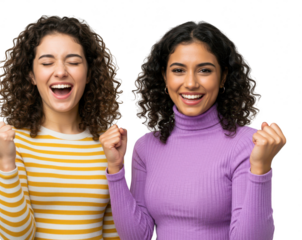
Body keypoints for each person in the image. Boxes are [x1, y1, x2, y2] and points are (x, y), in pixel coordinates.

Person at [99, 18, 287, 239]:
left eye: (204, 70)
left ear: (223, 76)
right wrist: (115, 168)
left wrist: (261, 168)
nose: (190, 83)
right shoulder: (144, 146)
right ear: (164, 76)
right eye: (178, 70)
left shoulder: (248, 143)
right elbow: (137, 236)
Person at [0, 13, 124, 240]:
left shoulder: (106, 142)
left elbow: (113, 233)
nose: (60, 71)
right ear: (31, 75)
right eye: (47, 62)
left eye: (74, 62)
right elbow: (15, 237)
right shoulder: (11, 142)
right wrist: (5, 162)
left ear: (88, 74)